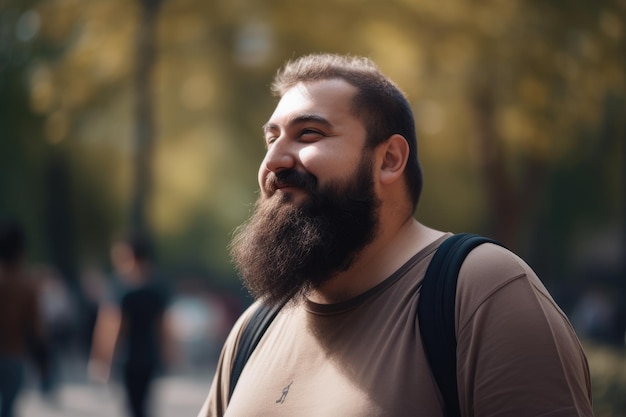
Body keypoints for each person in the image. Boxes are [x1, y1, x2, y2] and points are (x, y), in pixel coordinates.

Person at [197, 54, 593, 416]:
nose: (274, 161)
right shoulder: (254, 328)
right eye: (271, 139)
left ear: (389, 159)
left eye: (309, 134)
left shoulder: (482, 291)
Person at [89, 232, 174, 417]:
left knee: (132, 406)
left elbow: (113, 326)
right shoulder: (157, 286)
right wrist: (169, 354)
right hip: (150, 355)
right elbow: (164, 326)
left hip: (128, 357)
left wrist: (103, 359)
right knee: (143, 404)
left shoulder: (121, 287)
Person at [0, 219, 48, 417]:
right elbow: (35, 328)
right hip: (14, 353)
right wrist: (43, 362)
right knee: (8, 409)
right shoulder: (26, 286)